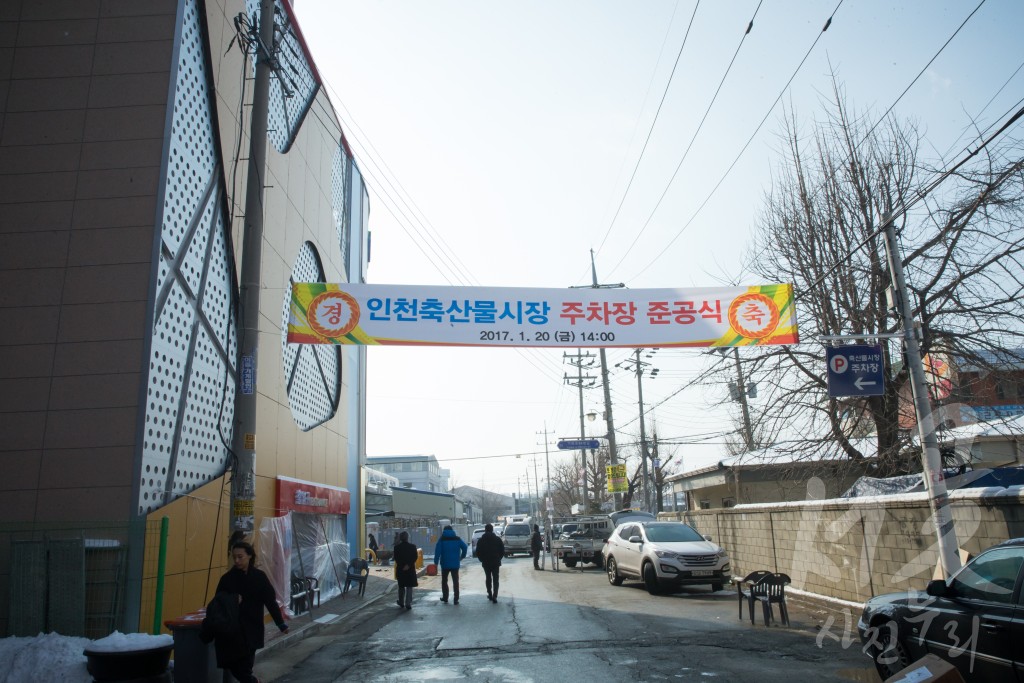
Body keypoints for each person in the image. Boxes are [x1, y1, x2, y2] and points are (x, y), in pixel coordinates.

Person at [201, 540, 288, 683]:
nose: (236, 560)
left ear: (249, 556)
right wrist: (233, 599)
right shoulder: (227, 579)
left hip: (252, 628)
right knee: (237, 667)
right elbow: (217, 603)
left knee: (245, 667)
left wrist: (280, 623)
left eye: (240, 557)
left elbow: (270, 601)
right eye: (234, 557)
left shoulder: (259, 577)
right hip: (232, 630)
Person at [433, 524, 468, 604]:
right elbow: (465, 547)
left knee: (444, 581)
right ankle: (456, 599)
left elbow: (437, 551)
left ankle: (445, 597)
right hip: (455, 564)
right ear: (452, 531)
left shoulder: (442, 539)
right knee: (455, 581)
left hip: (445, 564)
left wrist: (435, 562)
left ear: (444, 531)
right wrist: (462, 556)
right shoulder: (457, 539)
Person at [475, 523, 504, 603]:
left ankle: (490, 593)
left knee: (488, 578)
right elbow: (502, 550)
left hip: (486, 562)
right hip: (495, 562)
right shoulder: (497, 539)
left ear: (485, 530)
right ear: (492, 530)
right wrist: (499, 558)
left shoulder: (481, 540)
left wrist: (482, 559)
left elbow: (478, 552)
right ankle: (495, 595)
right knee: (495, 579)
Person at [393, 531, 418, 610]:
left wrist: (403, 565)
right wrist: (408, 565)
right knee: (409, 586)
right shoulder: (413, 547)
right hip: (410, 569)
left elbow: (396, 558)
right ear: (407, 538)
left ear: (400, 538)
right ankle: (408, 603)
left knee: (401, 586)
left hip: (401, 569)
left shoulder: (396, 548)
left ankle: (401, 602)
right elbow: (415, 557)